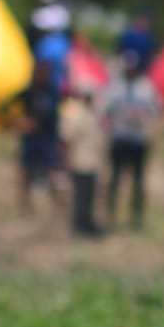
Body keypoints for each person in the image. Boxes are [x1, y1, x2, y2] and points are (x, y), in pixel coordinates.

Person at [103, 50, 160, 230]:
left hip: (139, 139)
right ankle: (110, 214)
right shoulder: (115, 86)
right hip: (119, 137)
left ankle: (136, 217)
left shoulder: (147, 87)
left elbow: (157, 109)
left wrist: (141, 115)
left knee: (138, 180)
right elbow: (105, 109)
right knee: (115, 178)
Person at [12, 59, 62, 214]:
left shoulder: (52, 93)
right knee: (27, 171)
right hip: (31, 140)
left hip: (47, 139)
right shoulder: (29, 91)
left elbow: (51, 115)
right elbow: (8, 104)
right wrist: (19, 122)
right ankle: (25, 206)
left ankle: (57, 207)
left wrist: (35, 123)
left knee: (51, 173)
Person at [62, 83, 104, 237]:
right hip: (79, 161)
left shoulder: (93, 112)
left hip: (92, 162)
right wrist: (66, 160)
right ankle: (79, 226)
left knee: (90, 195)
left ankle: (87, 223)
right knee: (80, 196)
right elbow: (66, 139)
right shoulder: (75, 113)